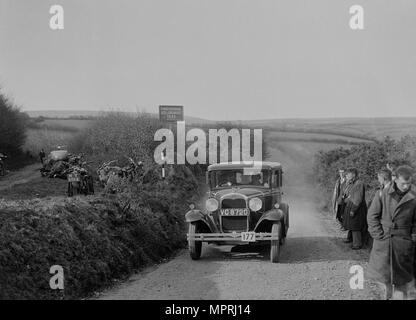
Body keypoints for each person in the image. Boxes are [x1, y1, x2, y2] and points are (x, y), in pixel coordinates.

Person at [367, 165, 416, 300]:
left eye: (409, 183)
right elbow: (372, 216)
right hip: (384, 241)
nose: (406, 186)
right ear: (395, 180)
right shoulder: (383, 193)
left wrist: (412, 238)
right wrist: (378, 235)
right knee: (385, 280)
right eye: (403, 184)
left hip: (403, 244)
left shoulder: (414, 196)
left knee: (401, 282)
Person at [341, 167, 367, 250]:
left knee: (355, 226)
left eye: (348, 175)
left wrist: (353, 210)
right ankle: (350, 239)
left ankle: (357, 244)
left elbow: (358, 199)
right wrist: (346, 200)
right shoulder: (353, 183)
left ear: (353, 175)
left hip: (357, 209)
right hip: (351, 206)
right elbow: (350, 195)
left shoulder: (359, 184)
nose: (347, 177)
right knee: (351, 224)